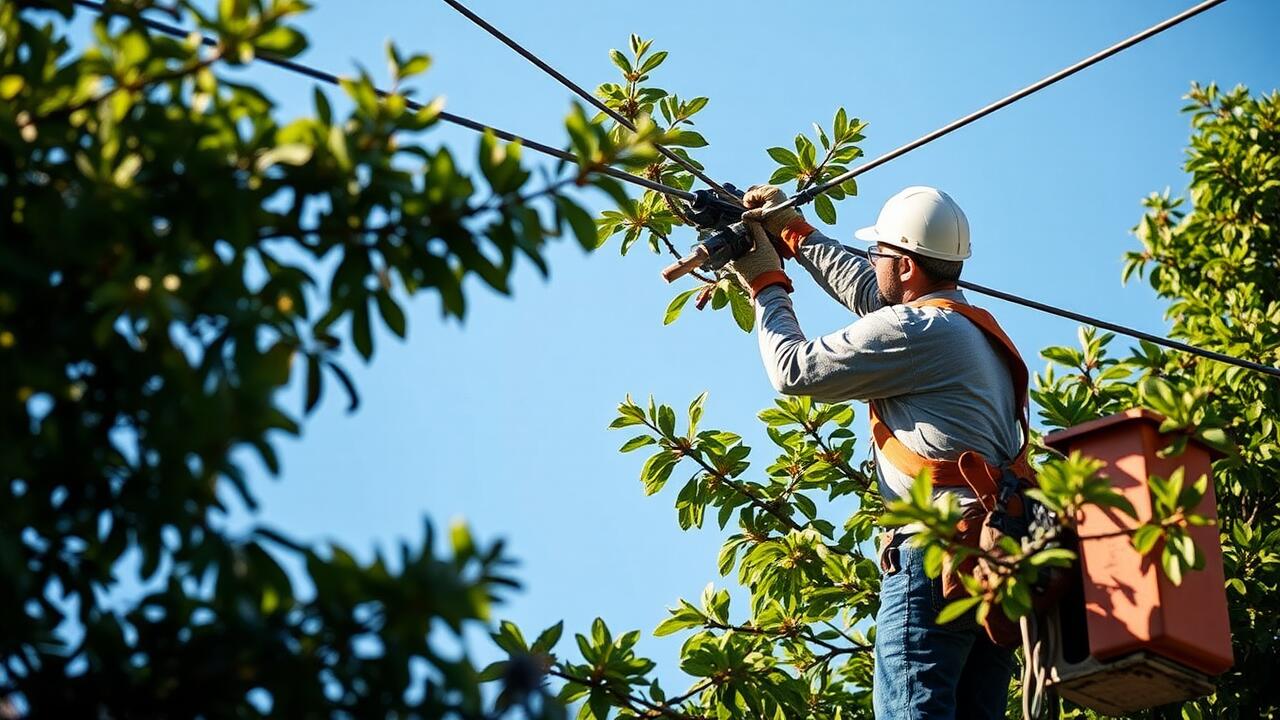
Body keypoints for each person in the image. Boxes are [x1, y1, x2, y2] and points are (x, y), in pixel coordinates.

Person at [728, 184, 1028, 719]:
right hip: (992, 567)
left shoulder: (917, 331)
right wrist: (793, 233)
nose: (873, 262)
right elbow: (874, 293)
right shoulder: (968, 331)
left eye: (880, 253)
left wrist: (766, 283)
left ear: (908, 267)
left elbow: (793, 370)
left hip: (931, 560)